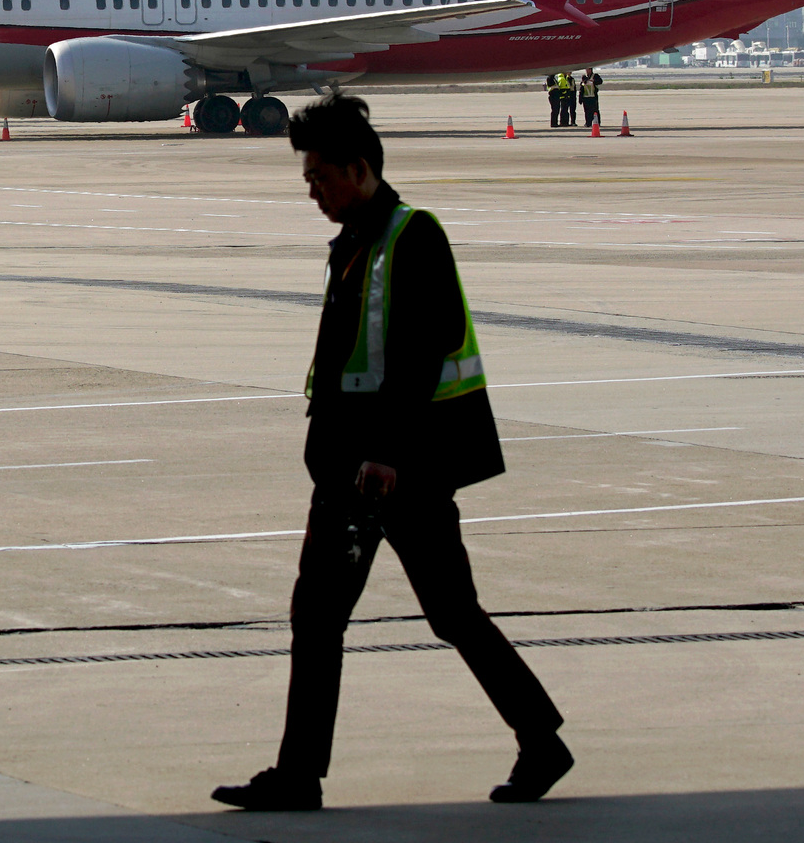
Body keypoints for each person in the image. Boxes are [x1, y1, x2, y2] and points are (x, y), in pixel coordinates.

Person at [212, 95, 572, 812]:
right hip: (353, 467)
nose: (312, 191)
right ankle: (306, 773)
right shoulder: (353, 242)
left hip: (395, 470)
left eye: (320, 177)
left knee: (436, 613)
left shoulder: (414, 237)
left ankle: (536, 740)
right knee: (339, 615)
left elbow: (420, 353)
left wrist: (383, 454)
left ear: (360, 168)